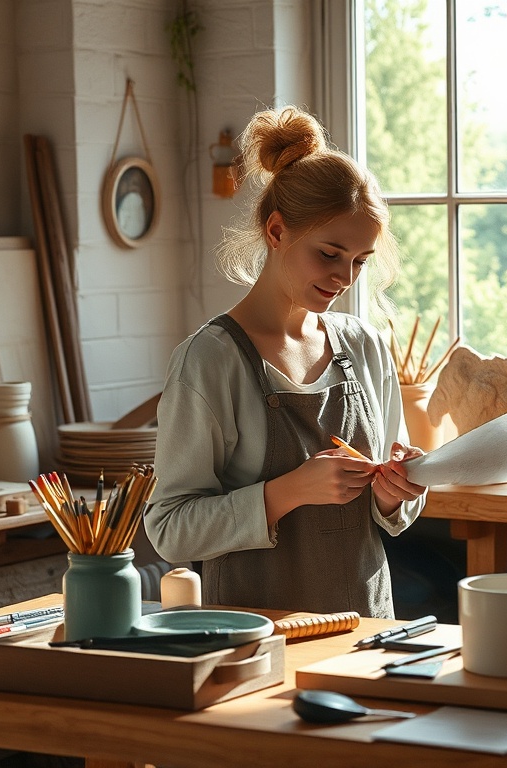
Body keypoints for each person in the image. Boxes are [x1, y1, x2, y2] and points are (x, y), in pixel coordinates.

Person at [145, 106, 427, 619]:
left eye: (360, 261)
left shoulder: (365, 346)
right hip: (254, 637)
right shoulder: (210, 360)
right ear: (277, 232)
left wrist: (396, 493)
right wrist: (288, 491)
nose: (345, 276)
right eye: (329, 253)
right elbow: (169, 529)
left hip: (365, 628)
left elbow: (396, 516)